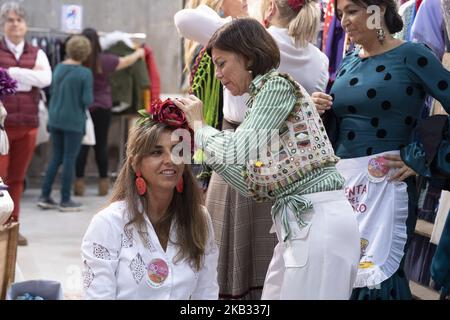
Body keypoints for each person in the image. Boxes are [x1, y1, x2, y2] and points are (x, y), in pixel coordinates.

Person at [174, 18, 360, 300]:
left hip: (318, 223)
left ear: (248, 56)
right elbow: (252, 185)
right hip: (301, 223)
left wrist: (200, 129)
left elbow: (238, 150)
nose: (217, 74)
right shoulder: (262, 100)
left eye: (222, 63)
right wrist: (205, 140)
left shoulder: (276, 87)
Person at [312, 0, 450, 299]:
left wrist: (420, 155)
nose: (343, 22)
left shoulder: (412, 54)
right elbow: (341, 128)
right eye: (340, 15)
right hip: (344, 186)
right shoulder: (348, 60)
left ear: (378, 10)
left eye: (352, 11)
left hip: (388, 186)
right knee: (340, 274)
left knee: (376, 278)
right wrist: (321, 111)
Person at [81, 103, 219, 299]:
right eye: (156, 152)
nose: (170, 159)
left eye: (177, 151)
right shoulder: (108, 224)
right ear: (136, 163)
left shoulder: (200, 218)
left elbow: (207, 293)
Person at [0, 2, 52, 246]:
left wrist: (11, 73)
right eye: (10, 20)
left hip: (29, 124)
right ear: (3, 25)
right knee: (0, 179)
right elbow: (36, 77)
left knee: (17, 179)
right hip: (2, 127)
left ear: (26, 25)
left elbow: (45, 79)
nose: (15, 24)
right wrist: (28, 75)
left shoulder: (38, 52)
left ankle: (13, 225)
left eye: (19, 20)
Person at [74, 28, 145, 197]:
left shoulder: (78, 60)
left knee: (82, 146)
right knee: (101, 145)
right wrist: (139, 53)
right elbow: (126, 61)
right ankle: (103, 184)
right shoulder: (104, 60)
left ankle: (79, 185)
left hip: (83, 108)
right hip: (103, 108)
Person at [37, 36, 93, 212]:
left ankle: (45, 196)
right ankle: (65, 199)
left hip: (55, 119)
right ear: (85, 53)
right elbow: (87, 100)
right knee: (70, 158)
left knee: (56, 157)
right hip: (73, 121)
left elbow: (52, 91)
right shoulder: (85, 73)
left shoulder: (59, 68)